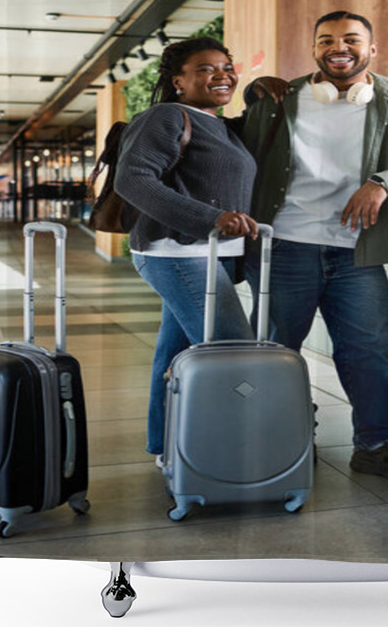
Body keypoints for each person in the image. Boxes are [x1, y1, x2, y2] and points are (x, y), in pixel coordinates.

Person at [240, 11, 388, 486]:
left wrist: (386, 181)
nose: (339, 47)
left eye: (351, 39)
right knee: (276, 352)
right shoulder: (280, 100)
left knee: (372, 354)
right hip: (283, 249)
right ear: (314, 48)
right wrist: (251, 91)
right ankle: (286, 442)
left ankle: (378, 446)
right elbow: (235, 148)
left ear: (372, 49)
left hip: (356, 254)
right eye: (326, 39)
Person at [114, 37, 259, 463]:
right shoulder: (165, 116)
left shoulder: (220, 125)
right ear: (178, 80)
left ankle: (167, 448)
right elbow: (134, 180)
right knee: (233, 356)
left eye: (227, 67)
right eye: (206, 68)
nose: (222, 75)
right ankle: (232, 456)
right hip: (178, 254)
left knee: (174, 357)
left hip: (201, 255)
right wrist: (208, 218)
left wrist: (259, 90)